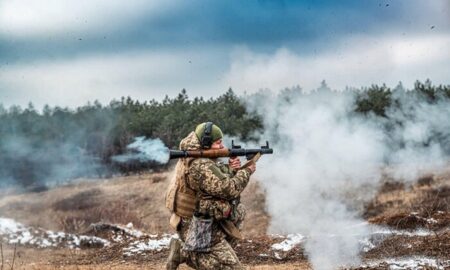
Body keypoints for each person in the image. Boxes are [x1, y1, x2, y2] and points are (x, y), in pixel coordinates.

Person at [165, 122, 256, 270]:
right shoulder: (199, 164)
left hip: (204, 217)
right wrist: (246, 171)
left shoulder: (198, 155)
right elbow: (228, 189)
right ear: (206, 143)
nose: (222, 147)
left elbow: (214, 178)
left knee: (239, 211)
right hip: (197, 224)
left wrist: (232, 169)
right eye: (218, 143)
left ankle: (204, 251)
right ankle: (184, 253)